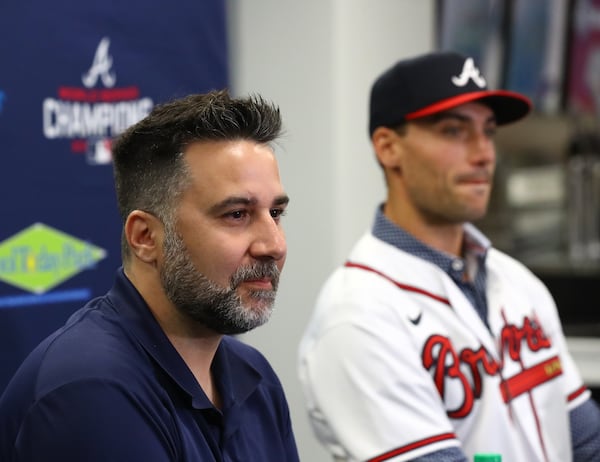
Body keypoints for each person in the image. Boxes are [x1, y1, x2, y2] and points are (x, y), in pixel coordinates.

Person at [298, 51, 600, 461]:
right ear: (388, 148)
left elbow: (586, 440)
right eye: (454, 131)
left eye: (488, 131)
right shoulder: (358, 315)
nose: (484, 154)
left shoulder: (517, 283)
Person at [0, 90, 300, 461]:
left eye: (276, 214)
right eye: (237, 214)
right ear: (145, 237)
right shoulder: (91, 390)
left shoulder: (255, 378)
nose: (274, 245)